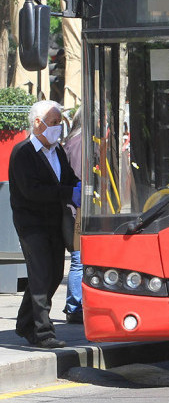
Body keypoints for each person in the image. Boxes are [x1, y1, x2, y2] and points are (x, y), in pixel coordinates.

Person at [9, 100, 81, 348]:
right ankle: (43, 332)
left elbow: (69, 178)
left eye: (60, 123)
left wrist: (77, 188)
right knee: (40, 276)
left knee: (51, 276)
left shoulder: (58, 151)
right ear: (37, 124)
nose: (58, 128)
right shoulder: (23, 152)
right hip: (31, 224)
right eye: (54, 123)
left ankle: (24, 323)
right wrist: (67, 193)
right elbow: (31, 191)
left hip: (54, 222)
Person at [62, 109, 84, 323]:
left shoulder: (72, 141)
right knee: (79, 258)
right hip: (77, 210)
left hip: (74, 208)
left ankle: (75, 305)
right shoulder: (79, 143)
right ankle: (75, 306)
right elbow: (78, 176)